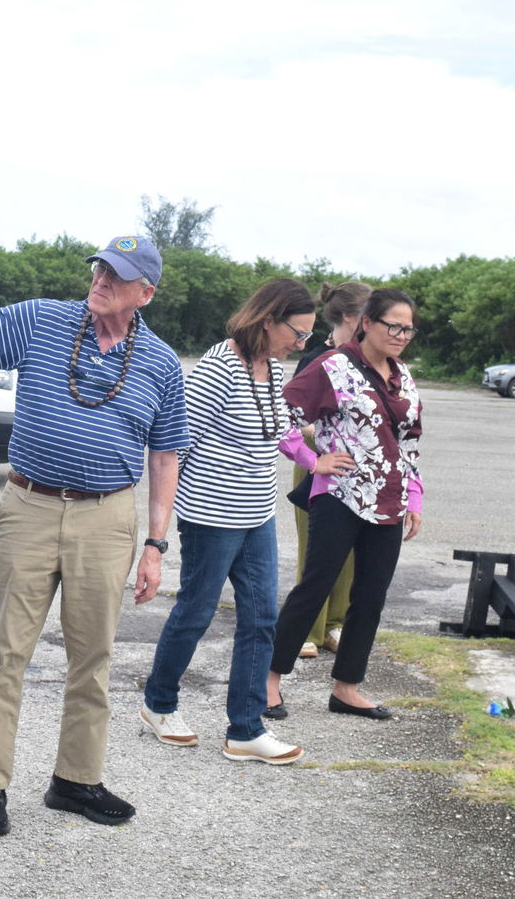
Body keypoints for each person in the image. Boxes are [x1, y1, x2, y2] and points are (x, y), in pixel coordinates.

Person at [0, 235, 190, 838]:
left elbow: (166, 455)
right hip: (28, 507)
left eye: (118, 275)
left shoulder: (160, 363)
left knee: (93, 657)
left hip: (106, 518)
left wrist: (156, 545)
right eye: (100, 267)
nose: (102, 279)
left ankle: (74, 781)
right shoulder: (43, 320)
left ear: (146, 292)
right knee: (6, 651)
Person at [140, 278, 330, 766]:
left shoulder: (271, 368)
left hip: (257, 514)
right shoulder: (219, 366)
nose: (302, 343)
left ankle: (246, 729)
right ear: (268, 319)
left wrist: (316, 458)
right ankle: (158, 704)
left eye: (308, 336)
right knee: (196, 612)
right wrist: (158, 532)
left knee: (262, 618)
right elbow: (177, 441)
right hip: (210, 515)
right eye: (298, 332)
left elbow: (280, 429)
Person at [266, 288, 424, 721]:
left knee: (371, 596)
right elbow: (280, 419)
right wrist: (313, 459)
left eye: (408, 328)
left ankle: (347, 688)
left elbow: (409, 441)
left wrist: (414, 496)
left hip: (389, 501)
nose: (401, 334)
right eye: (393, 325)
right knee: (314, 587)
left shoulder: (402, 375)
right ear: (367, 323)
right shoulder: (333, 367)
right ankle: (268, 681)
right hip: (340, 496)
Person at [286, 281, 370, 666]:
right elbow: (289, 419)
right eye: (372, 317)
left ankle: (336, 623)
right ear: (351, 317)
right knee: (316, 550)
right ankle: (308, 629)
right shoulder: (317, 359)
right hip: (317, 466)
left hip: (355, 471)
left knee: (350, 550)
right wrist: (329, 443)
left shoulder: (366, 361)